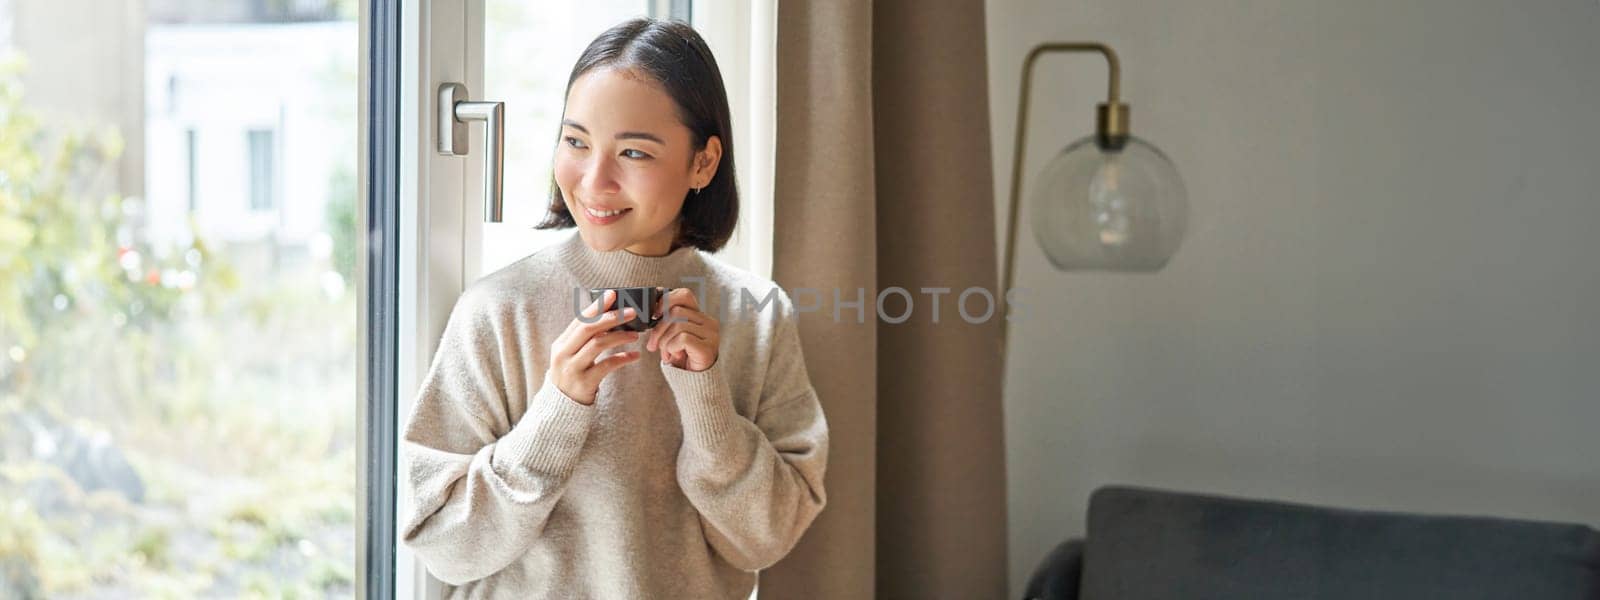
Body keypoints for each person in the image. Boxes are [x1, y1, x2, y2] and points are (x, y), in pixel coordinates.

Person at [399, 17, 828, 599]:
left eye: (632, 151)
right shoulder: (498, 311)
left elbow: (766, 539)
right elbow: (444, 546)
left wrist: (706, 400)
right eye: (576, 141)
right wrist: (556, 412)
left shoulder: (757, 314)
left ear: (703, 163)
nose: (593, 180)